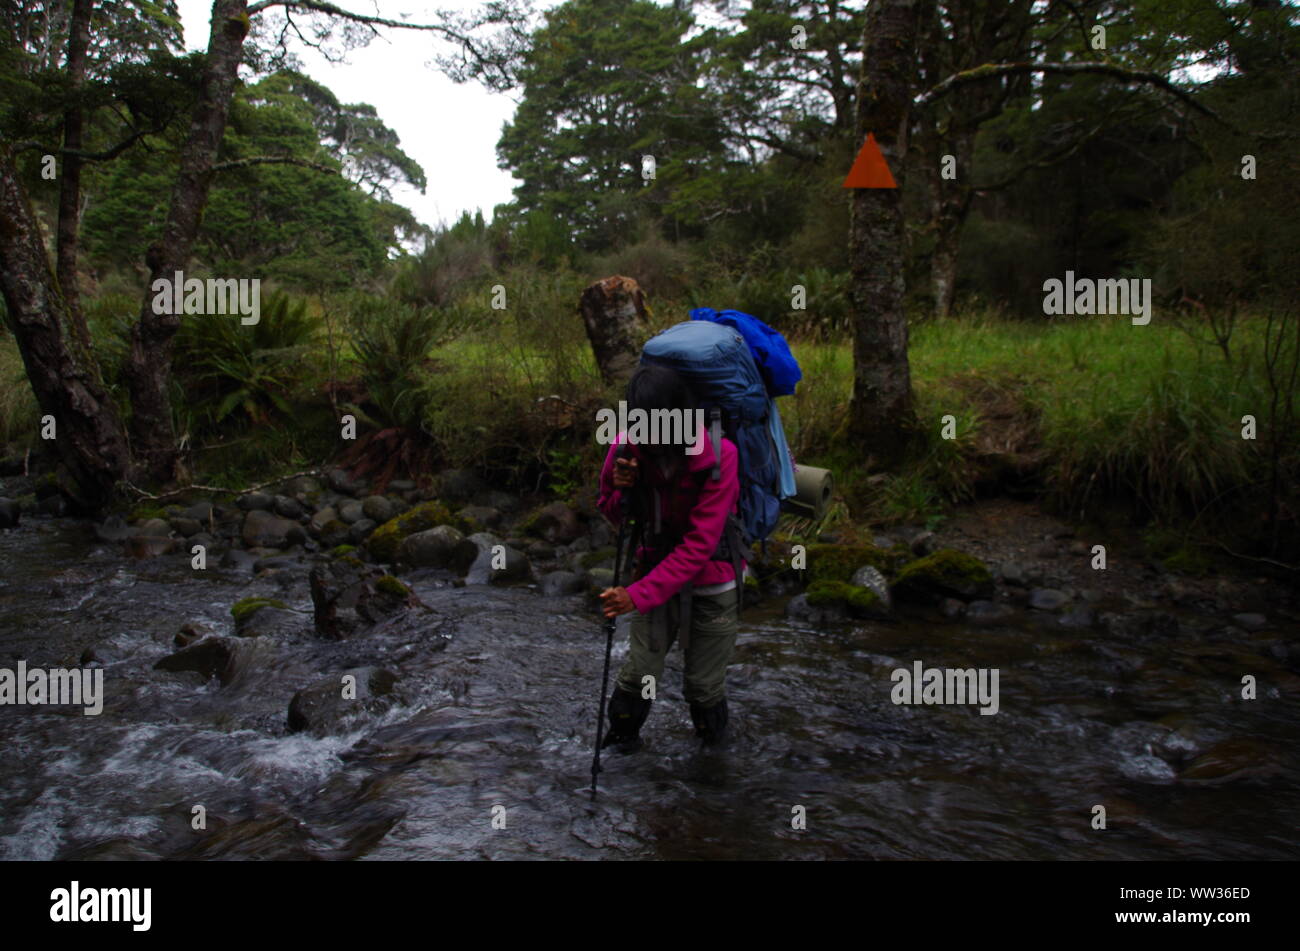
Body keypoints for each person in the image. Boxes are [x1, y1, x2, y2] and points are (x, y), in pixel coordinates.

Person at [596, 364, 743, 752]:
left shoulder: (720, 455)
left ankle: (712, 768)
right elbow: (615, 516)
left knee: (702, 685)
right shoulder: (625, 450)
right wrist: (620, 490)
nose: (651, 434)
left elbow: (700, 544)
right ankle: (621, 751)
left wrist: (636, 596)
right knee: (639, 673)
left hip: (714, 578)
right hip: (653, 570)